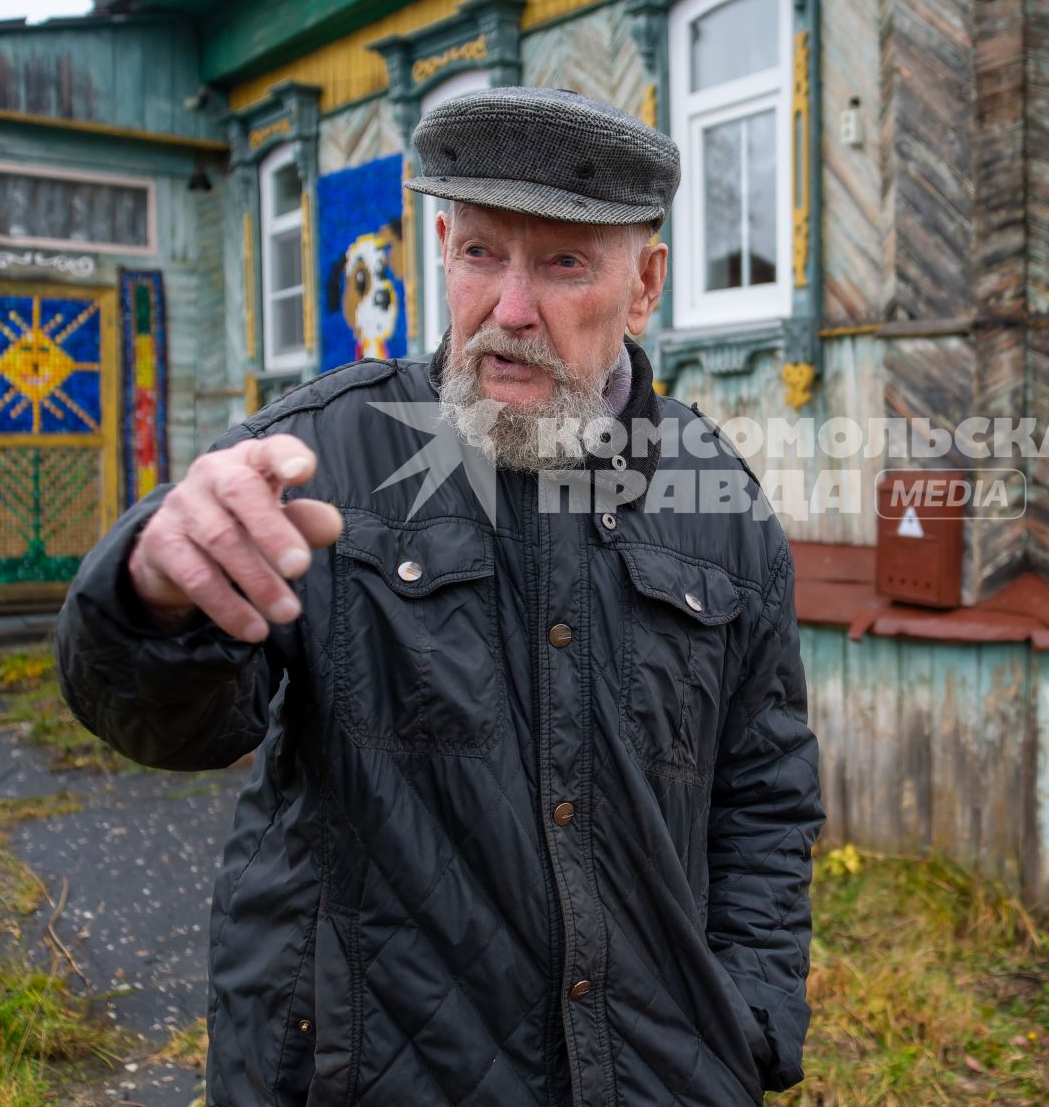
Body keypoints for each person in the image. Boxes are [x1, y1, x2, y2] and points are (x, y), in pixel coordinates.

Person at [56, 86, 824, 1106]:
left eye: (561, 262)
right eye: (479, 254)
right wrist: (154, 595)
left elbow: (763, 790)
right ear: (442, 249)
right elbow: (171, 725)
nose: (510, 309)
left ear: (644, 286)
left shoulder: (714, 498)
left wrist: (755, 1014)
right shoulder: (316, 458)